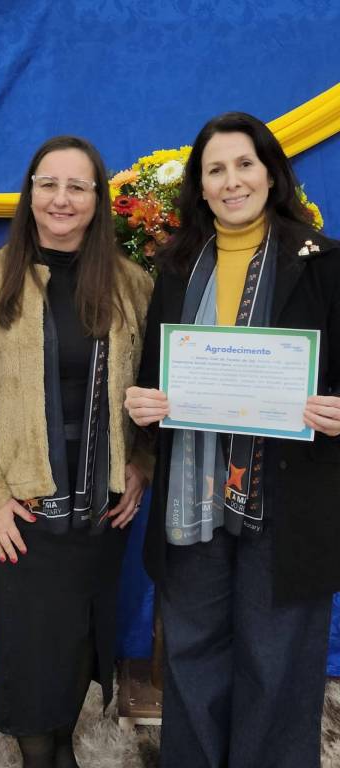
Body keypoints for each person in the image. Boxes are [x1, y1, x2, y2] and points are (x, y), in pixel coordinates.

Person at [125, 112, 340, 768]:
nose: (232, 181)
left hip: (289, 494)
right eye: (215, 170)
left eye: (245, 164)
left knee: (277, 663)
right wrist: (143, 404)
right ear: (201, 186)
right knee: (191, 655)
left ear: (272, 173)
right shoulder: (176, 266)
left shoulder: (326, 263)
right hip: (192, 494)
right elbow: (153, 379)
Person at [0, 135, 153, 768]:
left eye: (77, 186)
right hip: (20, 508)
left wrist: (141, 463)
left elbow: (155, 389)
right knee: (29, 647)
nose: (61, 198)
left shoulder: (133, 284)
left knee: (79, 639)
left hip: (101, 509)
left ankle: (64, 749)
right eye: (48, 184)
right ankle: (43, 758)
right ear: (29, 193)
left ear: (97, 200)